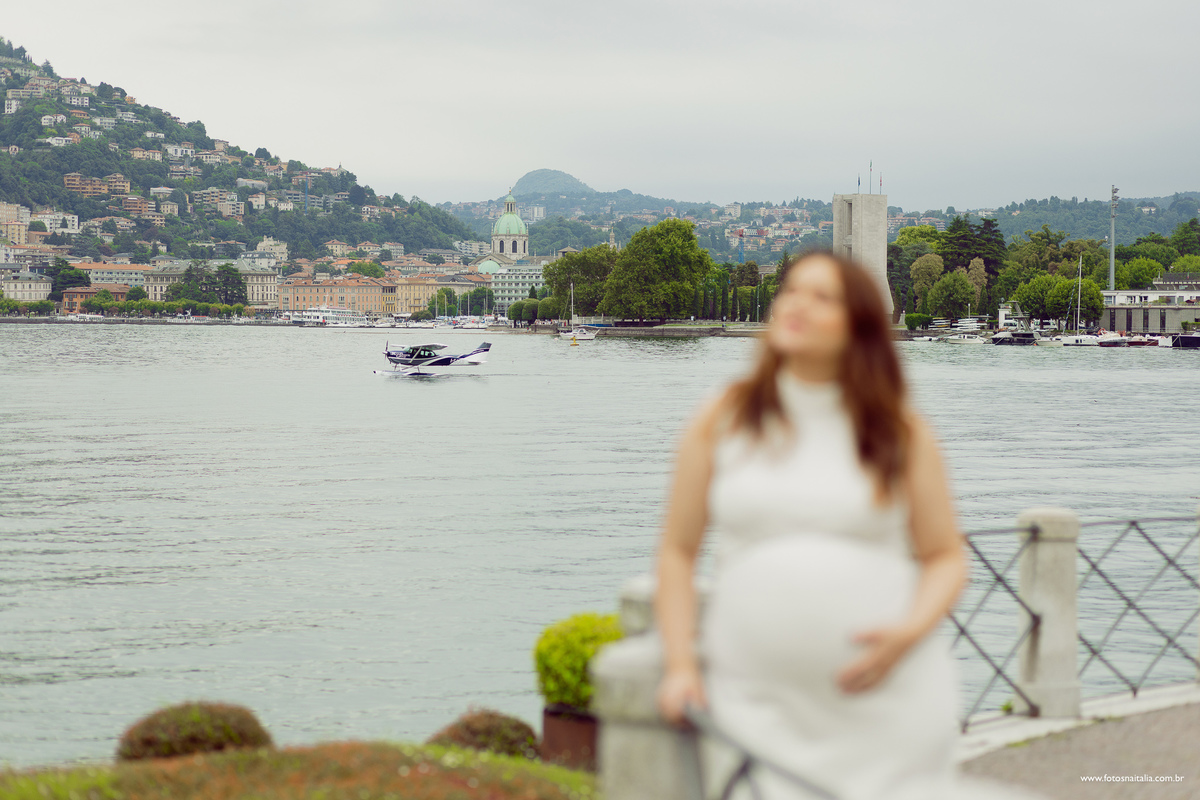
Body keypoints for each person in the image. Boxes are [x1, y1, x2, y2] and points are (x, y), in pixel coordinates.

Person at [654, 252, 1044, 799]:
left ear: (859, 327)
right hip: (755, 700)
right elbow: (676, 552)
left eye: (823, 297)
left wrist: (909, 631)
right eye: (792, 291)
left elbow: (944, 557)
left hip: (887, 699)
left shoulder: (898, 431)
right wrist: (678, 665)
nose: (798, 305)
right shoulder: (724, 418)